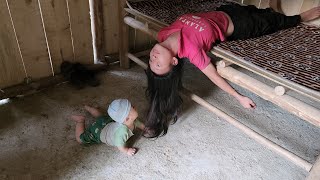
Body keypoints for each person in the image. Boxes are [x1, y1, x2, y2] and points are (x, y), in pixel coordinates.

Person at [145, 4, 320, 138]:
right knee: (273, 22)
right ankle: (301, 17)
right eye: (158, 64)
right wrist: (239, 97)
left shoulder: (163, 34)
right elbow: (214, 76)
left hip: (225, 11)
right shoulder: (192, 51)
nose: (154, 58)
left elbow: (153, 35)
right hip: (239, 26)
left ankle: (272, 9)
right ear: (174, 61)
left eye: (151, 60)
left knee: (256, 9)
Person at [71, 99, 145, 156]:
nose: (135, 106)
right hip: (100, 132)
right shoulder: (122, 132)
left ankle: (89, 108)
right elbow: (119, 145)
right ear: (127, 119)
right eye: (133, 107)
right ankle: (80, 121)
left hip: (107, 122)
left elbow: (137, 123)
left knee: (101, 117)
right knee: (81, 140)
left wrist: (144, 128)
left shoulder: (130, 120)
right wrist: (127, 150)